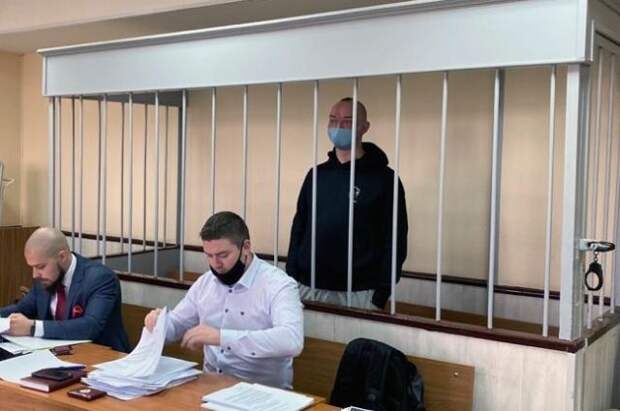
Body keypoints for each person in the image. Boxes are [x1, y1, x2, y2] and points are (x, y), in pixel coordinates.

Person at [144, 211, 303, 389]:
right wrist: (160, 323)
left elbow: (291, 340)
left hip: (262, 392)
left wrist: (222, 337)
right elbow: (177, 324)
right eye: (209, 256)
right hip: (210, 387)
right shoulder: (205, 282)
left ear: (246, 247)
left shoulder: (278, 284)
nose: (216, 264)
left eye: (223, 255)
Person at [287, 97, 408, 310]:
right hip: (308, 285)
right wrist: (292, 276)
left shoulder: (384, 179)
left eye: (348, 121)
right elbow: (299, 227)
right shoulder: (316, 175)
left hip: (360, 291)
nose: (338, 127)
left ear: (364, 127)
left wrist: (381, 293)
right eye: (333, 120)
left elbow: (395, 238)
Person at [0, 227, 130, 352]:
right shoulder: (45, 278)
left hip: (103, 357)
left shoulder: (100, 278)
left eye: (40, 267)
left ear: (62, 256)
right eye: (32, 267)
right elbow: (23, 308)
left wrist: (33, 327)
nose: (35, 275)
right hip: (59, 354)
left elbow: (91, 326)